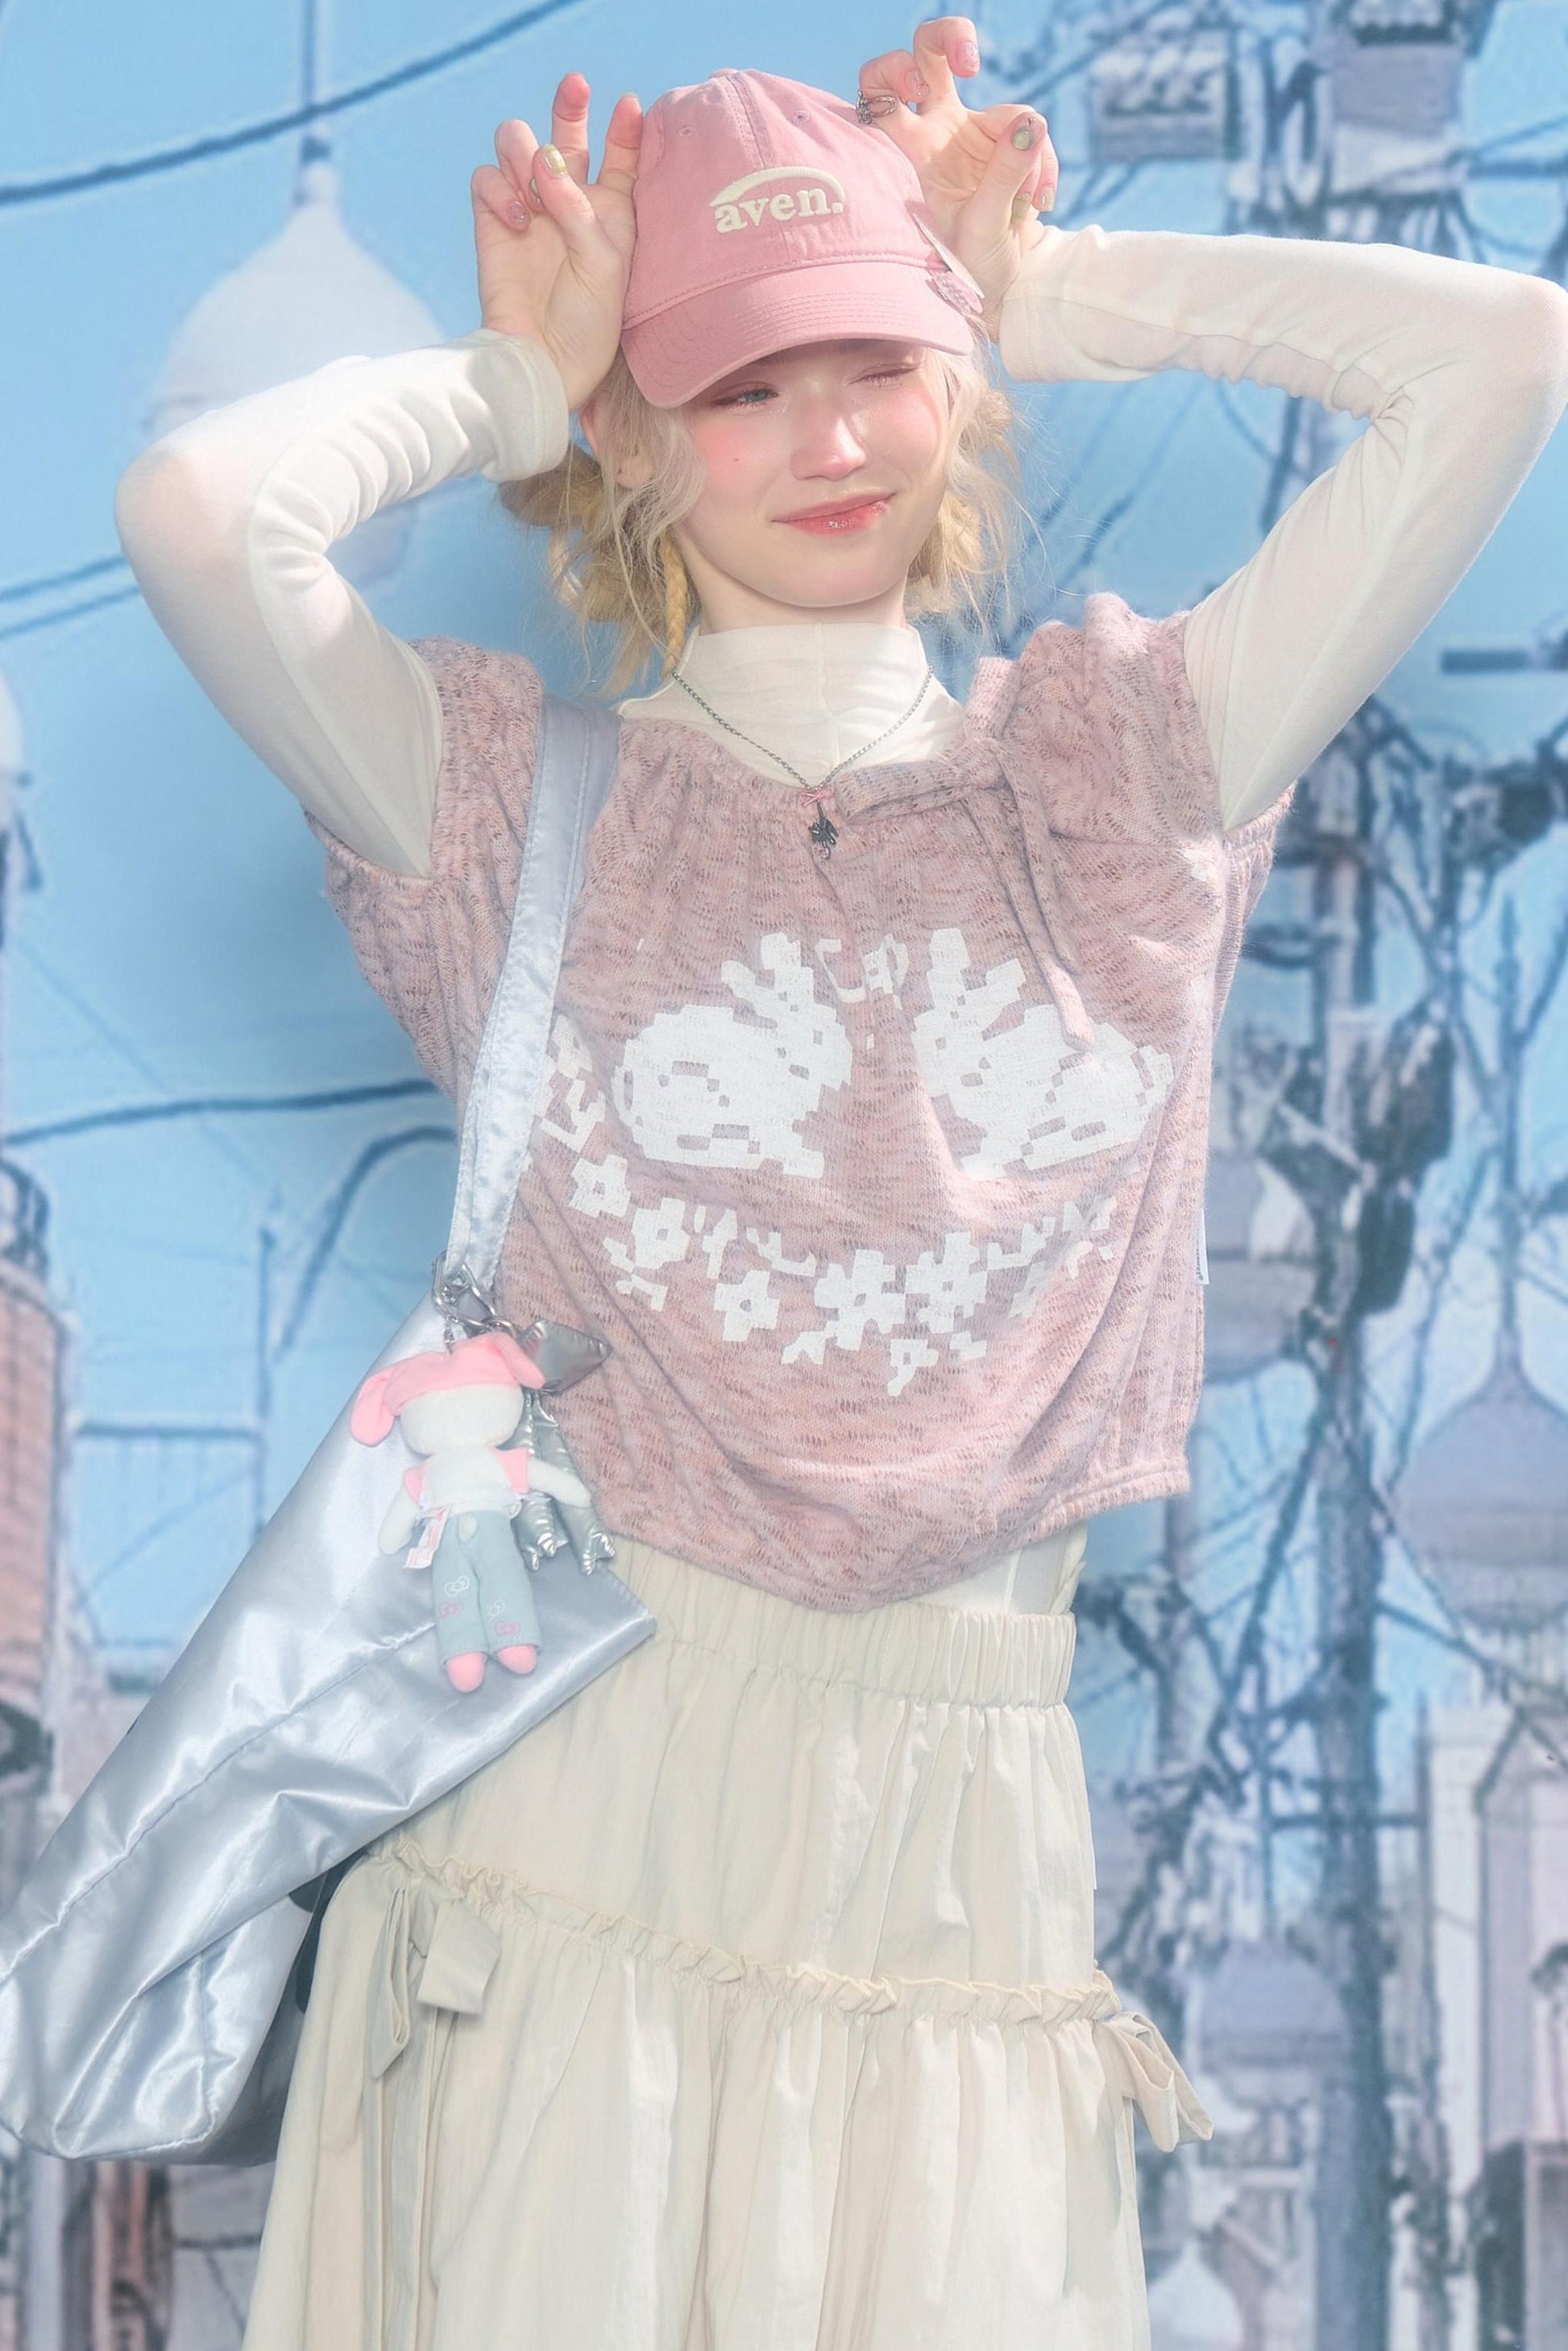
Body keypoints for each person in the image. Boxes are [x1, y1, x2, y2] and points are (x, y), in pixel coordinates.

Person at [113, 27, 1568, 2349]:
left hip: (963, 1866)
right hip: (576, 1848)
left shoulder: (1121, 778)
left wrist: (1052, 284)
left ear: (953, 380)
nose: (828, 441)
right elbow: (203, 520)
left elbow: (1502, 356)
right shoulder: (499, 805)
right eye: (737, 387)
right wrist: (509, 384)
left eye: (876, 362)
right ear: (638, 435)